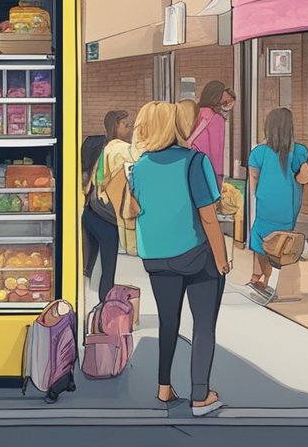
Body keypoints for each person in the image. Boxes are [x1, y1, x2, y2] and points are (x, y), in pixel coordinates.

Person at [129, 101, 229, 417]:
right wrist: (221, 258)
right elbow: (209, 217)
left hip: (156, 257)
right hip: (196, 255)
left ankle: (163, 388)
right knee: (203, 325)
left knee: (167, 320)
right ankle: (200, 395)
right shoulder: (194, 162)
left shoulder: (139, 167)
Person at [246, 108, 308, 304]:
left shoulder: (259, 152)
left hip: (266, 204)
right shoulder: (299, 151)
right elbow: (304, 177)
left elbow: (253, 179)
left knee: (260, 238)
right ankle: (274, 280)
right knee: (282, 241)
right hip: (289, 206)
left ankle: (259, 277)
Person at [84, 110, 132, 303]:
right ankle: (105, 307)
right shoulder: (121, 148)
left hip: (91, 211)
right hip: (107, 216)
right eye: (126, 125)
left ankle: (88, 303)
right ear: (115, 126)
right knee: (108, 267)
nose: (129, 129)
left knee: (89, 265)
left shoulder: (102, 146)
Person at [194, 81, 235, 191]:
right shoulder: (216, 119)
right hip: (207, 173)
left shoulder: (194, 113)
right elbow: (216, 154)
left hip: (190, 168)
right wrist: (218, 184)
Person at [80, 133, 108, 281]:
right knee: (101, 247)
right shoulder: (95, 172)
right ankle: (95, 275)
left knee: (94, 246)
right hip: (96, 212)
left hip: (88, 213)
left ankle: (90, 271)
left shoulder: (83, 172)